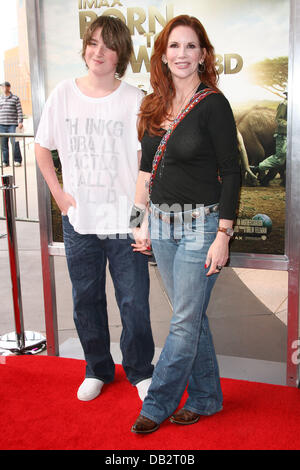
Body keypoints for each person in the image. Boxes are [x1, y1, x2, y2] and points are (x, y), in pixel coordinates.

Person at [35, 16, 154, 402]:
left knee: (134, 301)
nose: (98, 52)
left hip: (124, 223)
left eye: (108, 45)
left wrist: (140, 222)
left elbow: (145, 165)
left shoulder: (135, 99)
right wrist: (58, 195)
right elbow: (41, 146)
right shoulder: (64, 93)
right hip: (79, 222)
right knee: (86, 298)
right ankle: (97, 368)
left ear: (121, 54)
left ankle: (139, 371)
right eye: (93, 43)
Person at [130, 15, 240, 434]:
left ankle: (157, 402)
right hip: (159, 226)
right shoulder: (153, 104)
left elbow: (232, 172)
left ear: (203, 54)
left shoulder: (214, 104)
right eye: (173, 46)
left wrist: (223, 234)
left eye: (190, 46)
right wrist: (137, 224)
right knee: (190, 318)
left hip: (201, 227)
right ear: (162, 54)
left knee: (182, 320)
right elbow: (144, 170)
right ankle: (207, 397)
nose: (181, 54)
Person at [252, 90, 287, 186]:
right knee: (279, 158)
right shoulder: (284, 104)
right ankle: (258, 168)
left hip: (290, 135)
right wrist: (292, 124)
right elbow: (279, 119)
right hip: (283, 134)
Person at [0, 81, 23, 167]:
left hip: (13, 125)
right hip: (1, 125)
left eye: (4, 87)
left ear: (9, 87)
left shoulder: (15, 98)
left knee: (15, 143)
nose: (3, 88)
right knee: (3, 144)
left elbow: (19, 110)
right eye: (2, 87)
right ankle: (5, 161)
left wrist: (20, 121)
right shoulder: (0, 98)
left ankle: (17, 160)